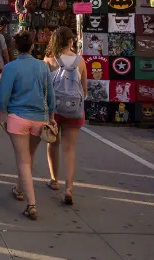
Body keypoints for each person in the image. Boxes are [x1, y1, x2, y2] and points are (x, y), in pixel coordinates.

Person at [0, 30, 56, 220]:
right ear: (32, 46)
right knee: (29, 155)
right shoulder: (43, 66)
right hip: (40, 117)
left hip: (17, 117)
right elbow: (51, 94)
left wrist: (2, 114)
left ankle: (31, 203)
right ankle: (20, 189)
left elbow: (3, 96)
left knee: (23, 159)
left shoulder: (11, 68)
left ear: (16, 47)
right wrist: (52, 115)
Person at [43, 27, 87, 205]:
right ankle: (69, 188)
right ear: (71, 41)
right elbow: (84, 90)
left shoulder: (48, 60)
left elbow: (44, 87)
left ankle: (54, 180)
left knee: (53, 143)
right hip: (74, 110)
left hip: (54, 110)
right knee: (69, 149)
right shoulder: (80, 61)